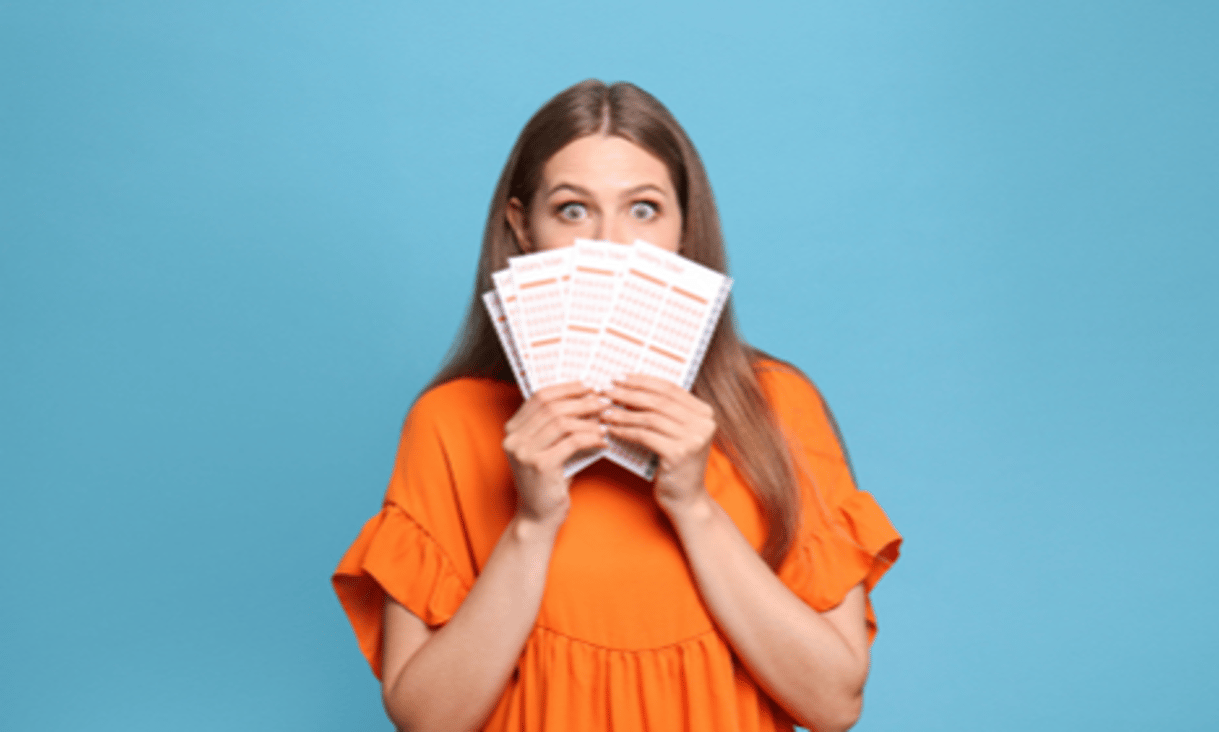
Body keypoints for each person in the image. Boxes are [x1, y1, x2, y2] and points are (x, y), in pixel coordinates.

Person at [332, 79, 902, 732]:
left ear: (685, 229)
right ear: (522, 228)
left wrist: (693, 507)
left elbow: (833, 704)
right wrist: (532, 523)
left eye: (644, 209)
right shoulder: (449, 424)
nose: (610, 246)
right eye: (573, 210)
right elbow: (427, 719)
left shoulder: (778, 407)